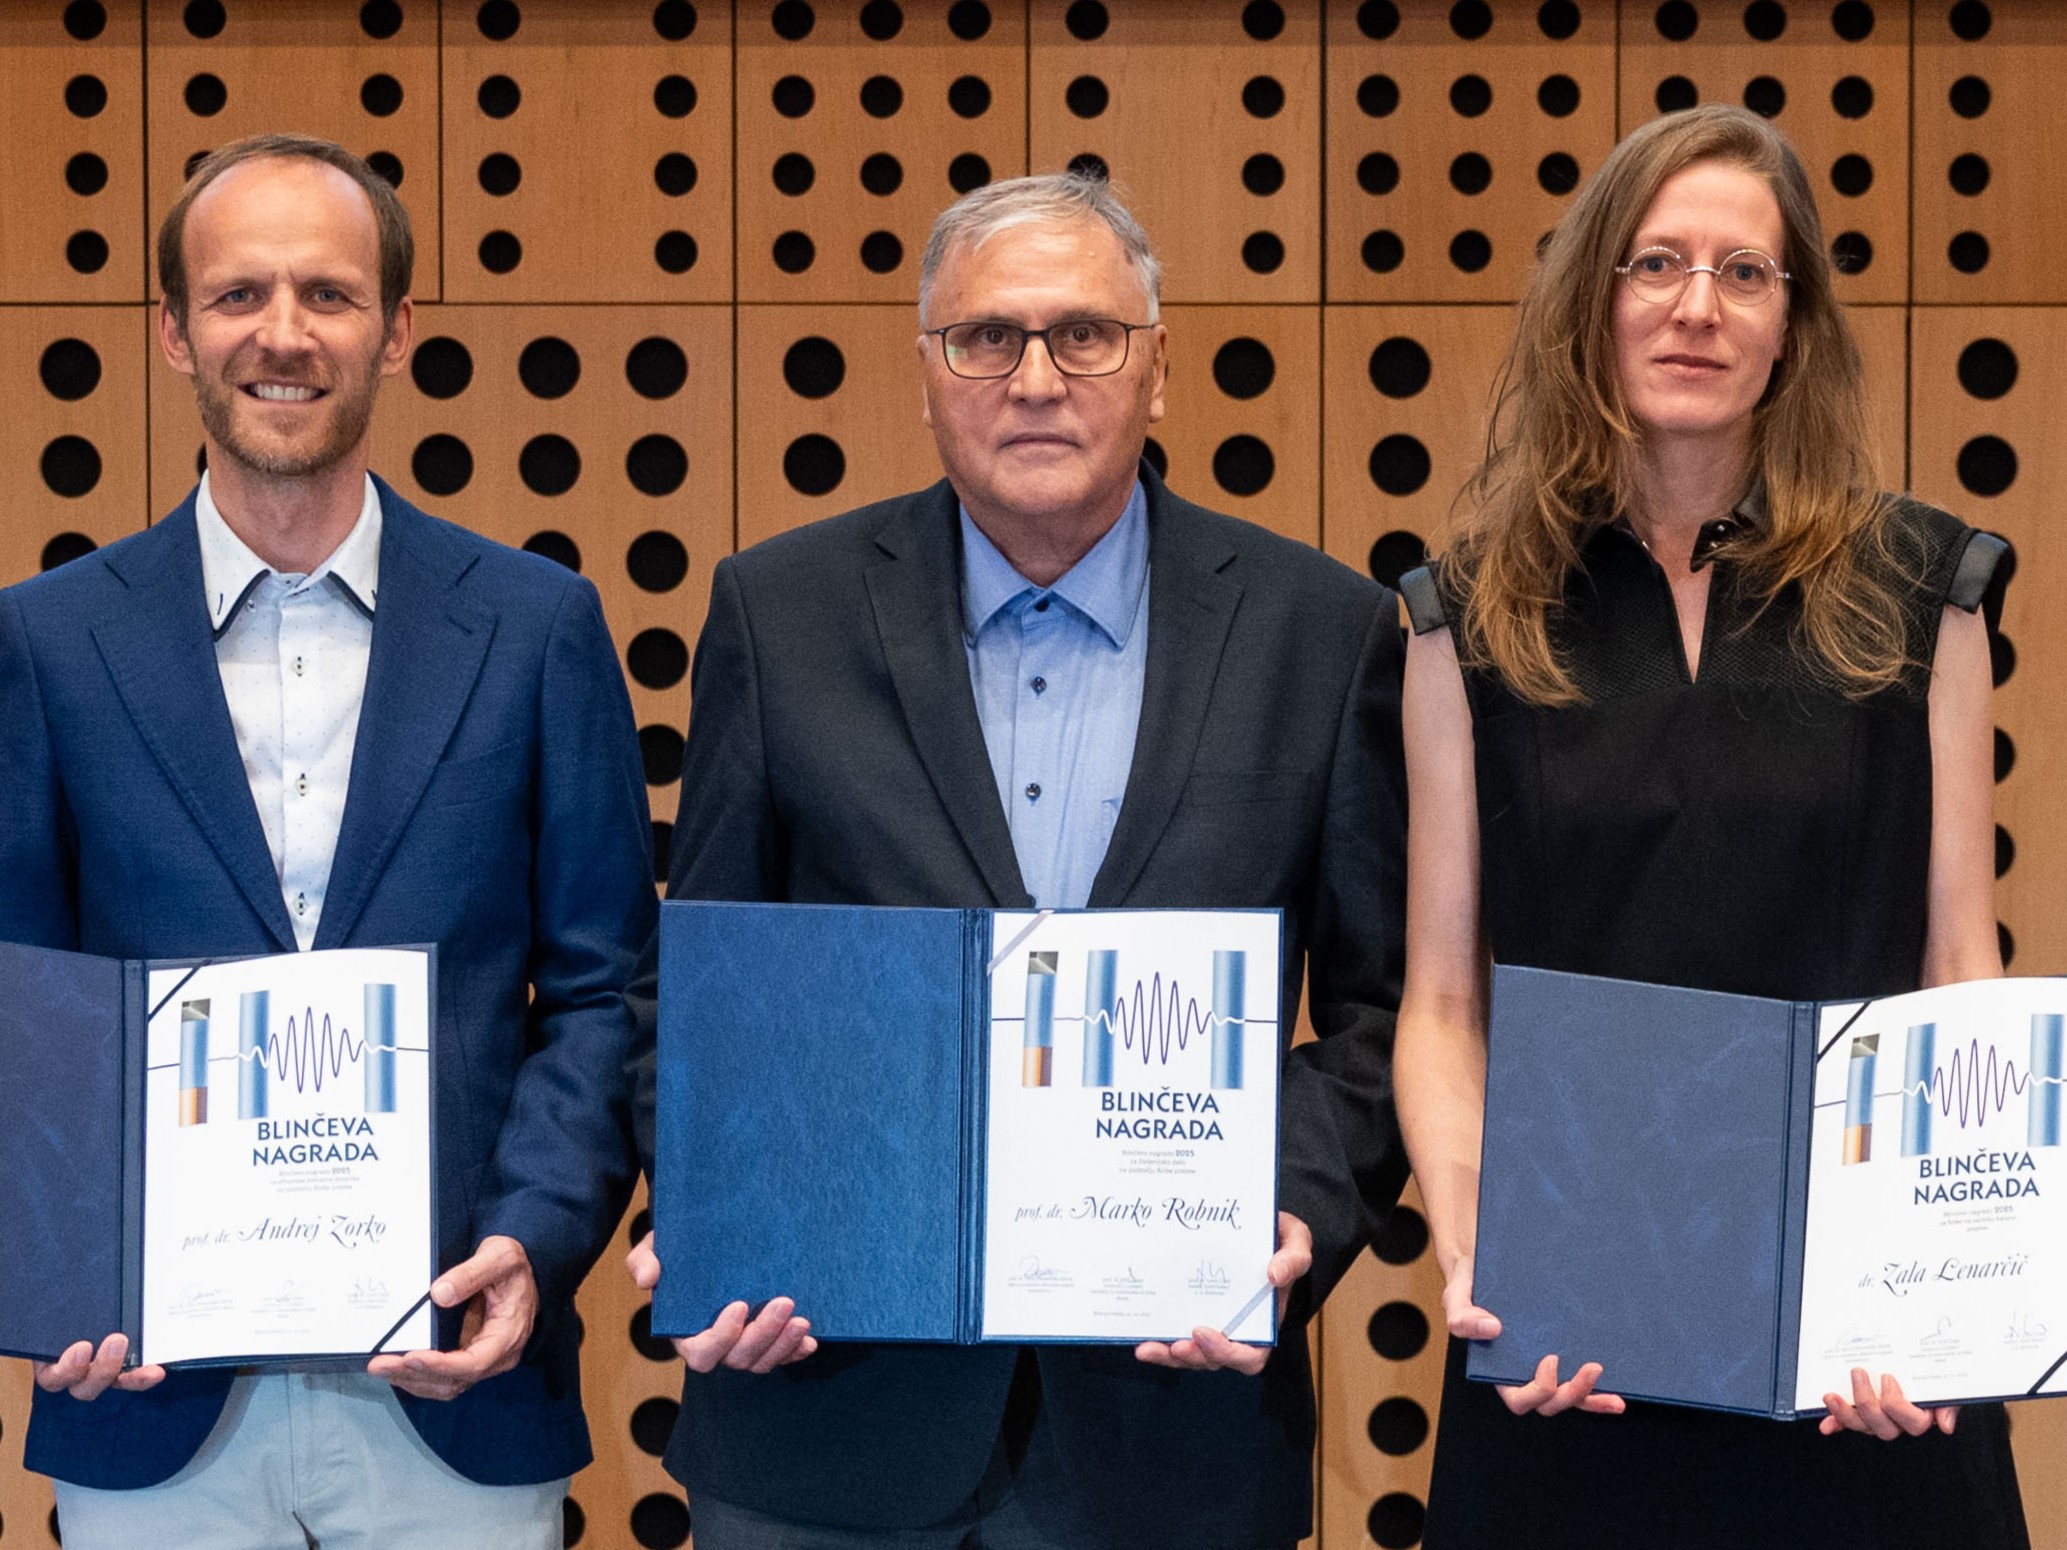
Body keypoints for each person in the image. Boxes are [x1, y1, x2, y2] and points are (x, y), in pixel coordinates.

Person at [624, 171, 1408, 1550]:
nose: (1035, 379)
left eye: (1084, 335)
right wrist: (716, 1206)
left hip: (1168, 1441)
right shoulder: (778, 610)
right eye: (987, 338)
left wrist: (1288, 1209)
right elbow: (700, 991)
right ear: (928, 373)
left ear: (1158, 367)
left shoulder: (1321, 630)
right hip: (826, 1412)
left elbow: (1383, 1011)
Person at [0, 134, 657, 1548]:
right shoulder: (46, 643)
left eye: (329, 294)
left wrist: (533, 1238)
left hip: (457, 1371)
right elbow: (21, 996)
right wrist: (55, 1271)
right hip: (149, 1389)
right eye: (238, 295)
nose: (283, 335)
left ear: (396, 329)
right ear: (174, 331)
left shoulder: (537, 626)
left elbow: (603, 987)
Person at [1393, 103, 2028, 1546]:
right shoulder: (1468, 610)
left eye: (1746, 272)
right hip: (1569, 1345)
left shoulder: (1925, 588)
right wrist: (1482, 1241)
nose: (1698, 306)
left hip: (1863, 1346)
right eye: (1658, 263)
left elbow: (1957, 964)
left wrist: (1953, 1274)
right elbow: (1440, 1001)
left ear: (1793, 324)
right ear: (1595, 298)